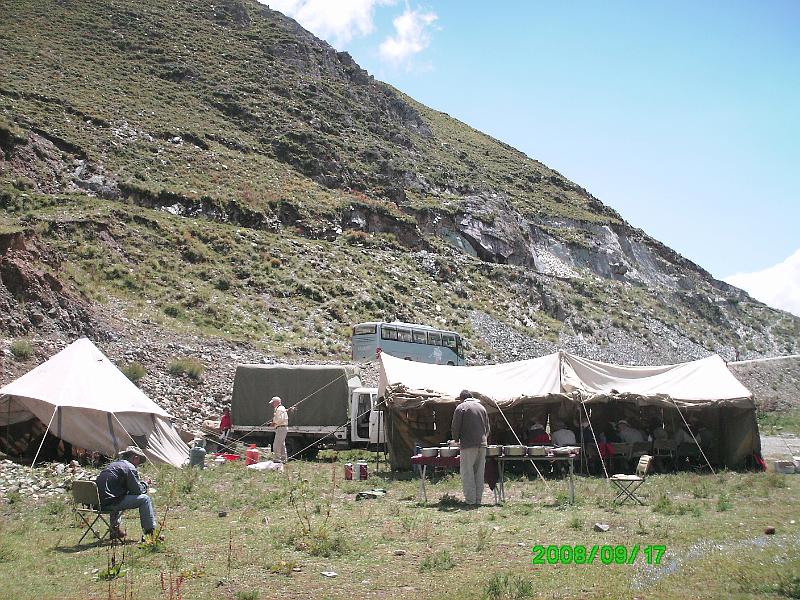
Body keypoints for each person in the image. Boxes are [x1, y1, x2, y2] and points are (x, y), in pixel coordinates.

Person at [96, 446, 158, 541]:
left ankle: (115, 530)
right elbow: (137, 491)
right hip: (111, 503)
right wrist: (145, 483)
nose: (138, 465)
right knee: (145, 499)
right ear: (135, 457)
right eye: (139, 461)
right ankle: (150, 533)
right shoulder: (129, 467)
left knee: (116, 495)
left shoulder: (112, 465)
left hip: (99, 503)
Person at [451, 390, 490, 506]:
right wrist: (483, 439)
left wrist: (456, 439)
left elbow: (455, 426)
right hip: (482, 444)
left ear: (461, 398)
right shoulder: (482, 408)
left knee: (467, 472)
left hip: (468, 444)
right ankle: (478, 499)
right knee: (479, 472)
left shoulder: (461, 407)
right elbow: (487, 428)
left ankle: (470, 500)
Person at [269, 396, 289, 462]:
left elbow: (280, 419)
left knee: (277, 444)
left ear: (276, 402)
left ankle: (277, 458)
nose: (272, 404)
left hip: (281, 428)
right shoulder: (281, 408)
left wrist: (274, 423)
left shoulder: (279, 409)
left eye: (273, 402)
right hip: (282, 427)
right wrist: (274, 422)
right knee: (281, 444)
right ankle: (283, 459)